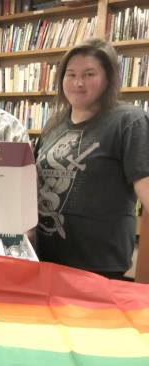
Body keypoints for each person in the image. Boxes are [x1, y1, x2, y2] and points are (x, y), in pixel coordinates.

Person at [35, 38, 149, 279]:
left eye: (89, 74)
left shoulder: (128, 121)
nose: (78, 82)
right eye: (71, 74)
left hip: (97, 267)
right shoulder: (54, 124)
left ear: (108, 78)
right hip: (45, 260)